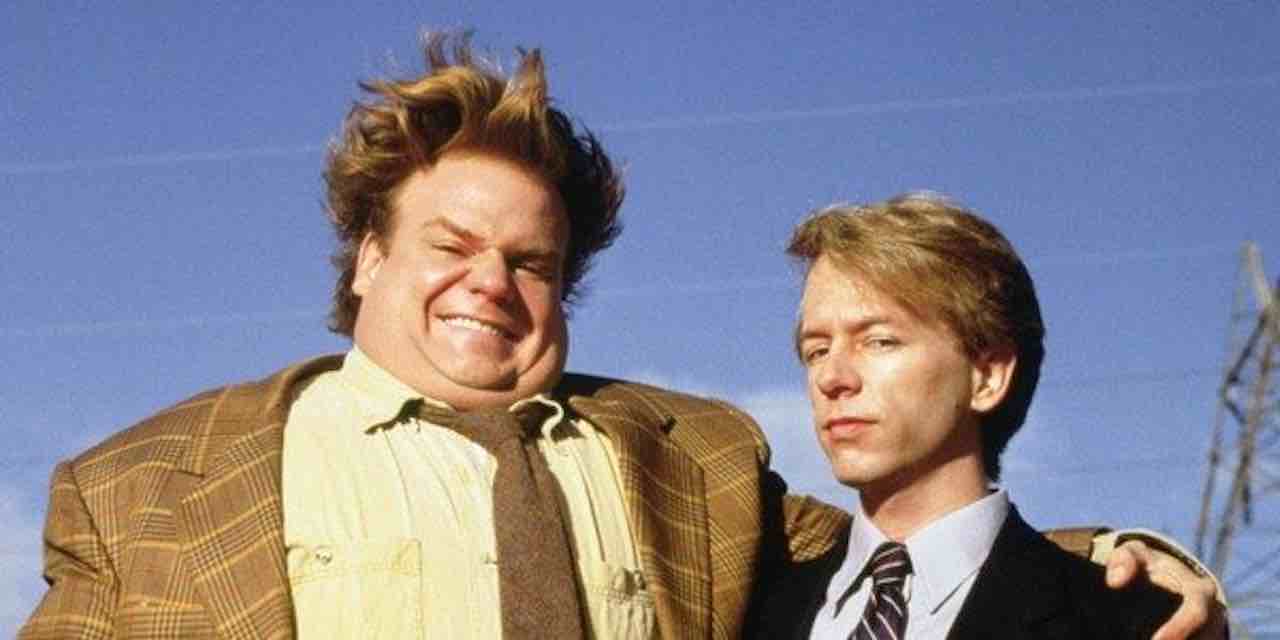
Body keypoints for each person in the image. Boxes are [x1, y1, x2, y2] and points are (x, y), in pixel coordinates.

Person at [22, 36, 1220, 640]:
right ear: (368, 256)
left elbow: (906, 552)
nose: (489, 284)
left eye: (531, 261)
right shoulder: (144, 492)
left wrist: (1123, 558)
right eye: (450, 245)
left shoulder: (695, 459)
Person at [753, 193, 1224, 639]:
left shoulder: (1130, 622)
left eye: (879, 341)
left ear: (988, 376)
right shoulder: (751, 614)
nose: (831, 377)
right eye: (816, 350)